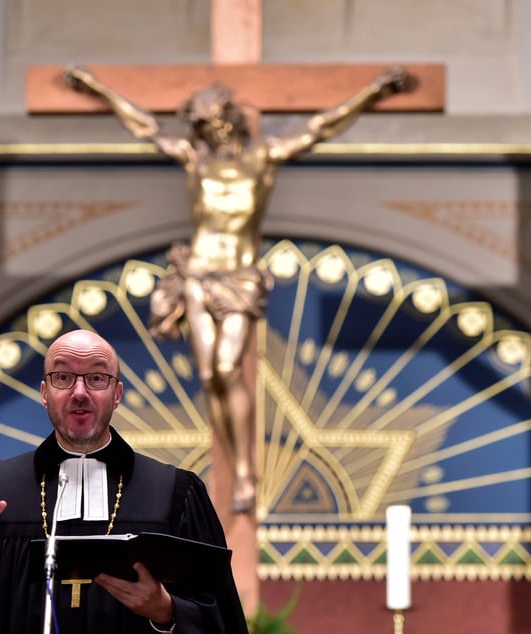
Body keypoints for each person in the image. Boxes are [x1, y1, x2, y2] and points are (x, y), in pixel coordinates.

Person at [63, 65, 409, 514]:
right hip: (197, 276)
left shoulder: (263, 157)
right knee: (208, 377)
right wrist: (95, 89)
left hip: (239, 278)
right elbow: (144, 125)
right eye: (207, 124)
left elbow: (320, 127)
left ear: (233, 118)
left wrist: (373, 93)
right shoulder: (195, 159)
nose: (217, 129)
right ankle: (233, 461)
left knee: (228, 369)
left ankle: (246, 470)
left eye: (221, 119)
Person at [0, 329, 249, 634]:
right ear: (45, 394)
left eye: (96, 378)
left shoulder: (175, 494)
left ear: (117, 395)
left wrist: (165, 610)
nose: (79, 392)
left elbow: (225, 619)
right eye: (63, 377)